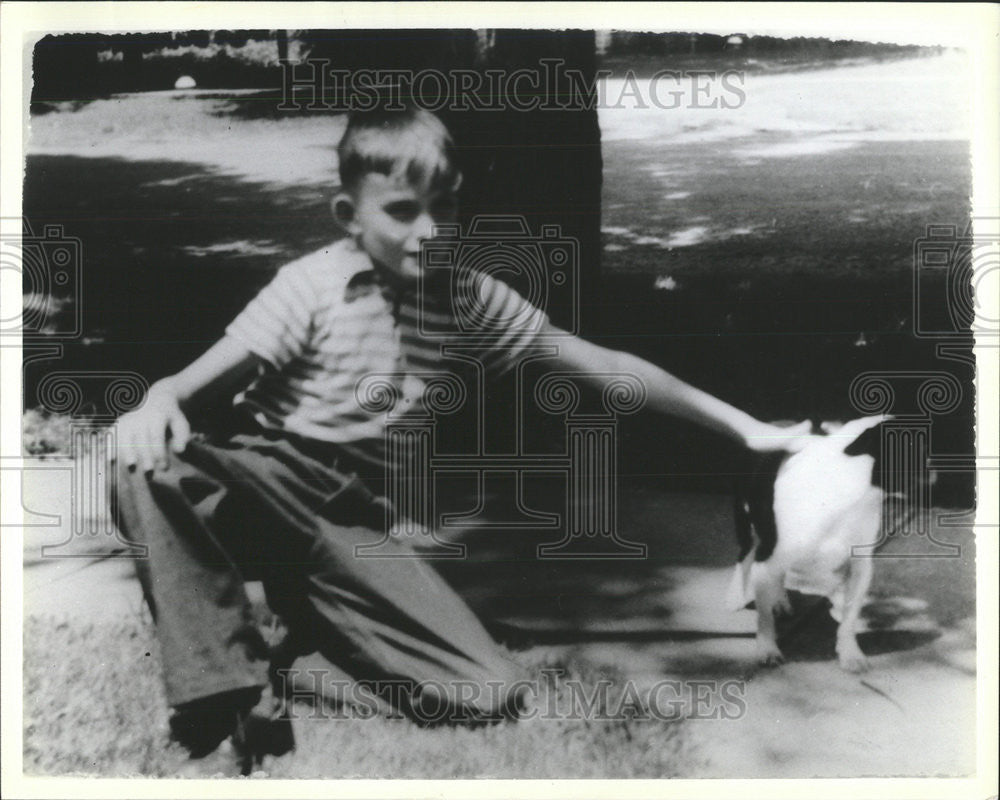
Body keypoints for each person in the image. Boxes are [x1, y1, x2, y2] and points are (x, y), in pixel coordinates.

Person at [112, 107, 808, 775]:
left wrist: (746, 429)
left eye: (444, 208)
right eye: (402, 211)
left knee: (487, 691)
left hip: (352, 523)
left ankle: (294, 662)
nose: (428, 233)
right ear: (348, 218)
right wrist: (154, 400)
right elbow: (186, 388)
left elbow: (606, 367)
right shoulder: (310, 288)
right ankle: (224, 690)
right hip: (266, 486)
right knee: (140, 461)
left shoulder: (466, 299)